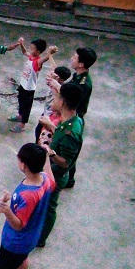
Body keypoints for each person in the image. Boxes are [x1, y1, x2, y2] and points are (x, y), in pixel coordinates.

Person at [36, 83, 84, 247]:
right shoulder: (71, 121)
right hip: (52, 169)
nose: (54, 100)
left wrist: (49, 152)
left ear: (63, 102)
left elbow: (65, 162)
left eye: (57, 97)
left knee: (49, 207)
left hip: (56, 174)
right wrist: (52, 126)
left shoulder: (71, 132)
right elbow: (61, 135)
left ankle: (40, 239)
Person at [46, 47, 96, 188]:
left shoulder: (84, 83)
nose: (71, 59)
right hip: (69, 115)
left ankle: (66, 179)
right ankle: (68, 179)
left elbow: (72, 97)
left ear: (81, 64)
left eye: (74, 57)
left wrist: (58, 86)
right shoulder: (78, 76)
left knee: (67, 152)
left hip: (73, 116)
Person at [8, 39, 57, 133]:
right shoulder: (31, 57)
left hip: (29, 89)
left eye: (32, 49)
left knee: (26, 107)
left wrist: (50, 53)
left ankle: (22, 125)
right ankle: (20, 116)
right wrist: (21, 44)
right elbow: (24, 52)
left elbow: (45, 58)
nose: (30, 50)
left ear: (38, 51)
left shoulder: (38, 61)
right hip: (23, 85)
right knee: (20, 102)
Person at [34, 61, 72, 142]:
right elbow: (53, 67)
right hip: (46, 112)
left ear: (60, 79)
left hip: (51, 115)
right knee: (38, 130)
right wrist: (50, 55)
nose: (51, 76)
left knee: (41, 133)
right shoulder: (54, 82)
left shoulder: (61, 90)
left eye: (54, 75)